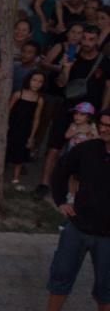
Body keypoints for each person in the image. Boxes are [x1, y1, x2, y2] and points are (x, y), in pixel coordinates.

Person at [28, 108, 110, 311]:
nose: (105, 128)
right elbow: (60, 172)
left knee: (106, 288)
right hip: (78, 227)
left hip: (107, 236)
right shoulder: (88, 149)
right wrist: (61, 200)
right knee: (61, 276)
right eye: (103, 124)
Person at [35, 25, 110, 198]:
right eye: (84, 38)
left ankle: (77, 189)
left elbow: (108, 88)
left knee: (86, 150)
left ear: (98, 40)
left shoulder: (105, 62)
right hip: (68, 108)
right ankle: (44, 183)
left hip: (91, 113)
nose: (87, 42)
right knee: (54, 146)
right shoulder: (71, 57)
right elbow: (61, 84)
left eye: (91, 39)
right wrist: (66, 68)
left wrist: (103, 112)